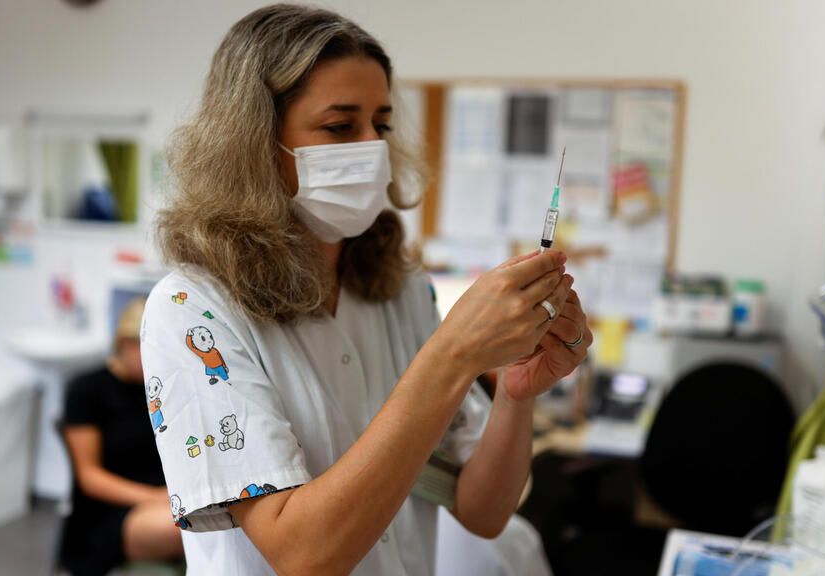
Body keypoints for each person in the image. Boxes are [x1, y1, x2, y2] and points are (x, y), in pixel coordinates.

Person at [141, 4, 592, 575]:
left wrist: (517, 392)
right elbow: (305, 556)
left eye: (380, 124)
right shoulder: (192, 310)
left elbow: (484, 513)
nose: (371, 147)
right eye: (339, 126)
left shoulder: (397, 290)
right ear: (253, 142)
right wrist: (453, 356)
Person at [60, 297, 184, 576]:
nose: (160, 364)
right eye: (153, 353)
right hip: (109, 511)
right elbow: (89, 477)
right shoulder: (87, 390)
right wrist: (154, 497)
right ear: (127, 345)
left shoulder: (159, 388)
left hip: (163, 498)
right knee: (185, 525)